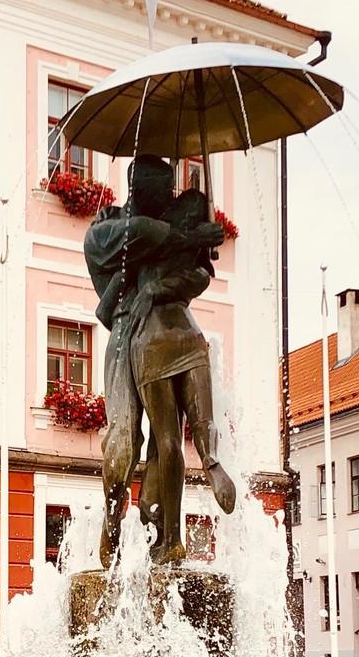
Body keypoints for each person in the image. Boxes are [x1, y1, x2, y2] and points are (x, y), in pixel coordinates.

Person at [83, 156, 231, 565]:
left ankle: (163, 532)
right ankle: (113, 519)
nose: (168, 195)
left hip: (164, 328)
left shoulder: (173, 219)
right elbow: (136, 235)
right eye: (161, 188)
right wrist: (188, 236)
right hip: (126, 334)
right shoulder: (108, 226)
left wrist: (198, 247)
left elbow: (200, 276)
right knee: (124, 439)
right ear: (138, 188)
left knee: (164, 442)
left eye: (171, 188)